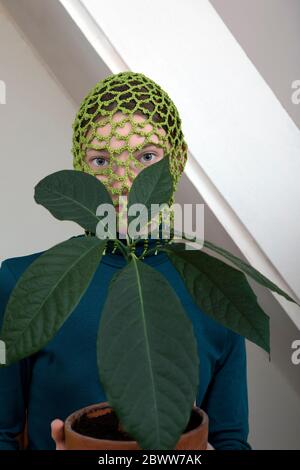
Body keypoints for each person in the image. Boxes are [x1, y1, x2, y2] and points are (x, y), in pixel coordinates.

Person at [0, 71, 251, 450]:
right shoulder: (19, 281)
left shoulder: (220, 291)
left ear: (177, 160)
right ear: (80, 169)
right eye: (101, 161)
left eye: (146, 157)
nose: (124, 181)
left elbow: (230, 440)